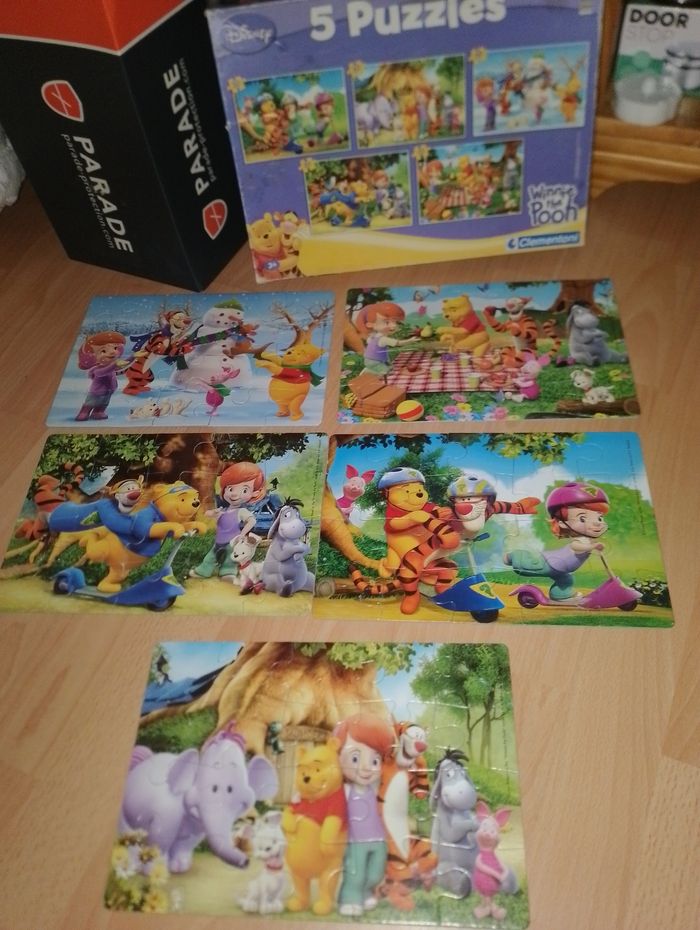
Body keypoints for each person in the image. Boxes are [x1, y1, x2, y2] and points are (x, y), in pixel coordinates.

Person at [505, 482, 609, 600]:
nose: (597, 523)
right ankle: (512, 556)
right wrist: (592, 547)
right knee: (527, 565)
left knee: (566, 580)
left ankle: (560, 595)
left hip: (560, 570)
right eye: (582, 518)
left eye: (599, 518)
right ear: (561, 523)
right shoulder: (580, 542)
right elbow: (576, 546)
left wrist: (593, 547)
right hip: (548, 563)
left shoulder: (586, 540)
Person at [335, 713, 395, 917]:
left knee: (376, 873)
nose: (366, 767)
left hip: (378, 840)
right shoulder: (345, 790)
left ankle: (366, 892)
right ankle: (350, 898)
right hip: (355, 842)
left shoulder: (377, 788)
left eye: (375, 760)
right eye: (355, 758)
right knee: (355, 873)